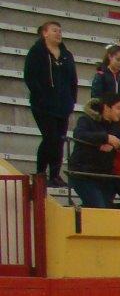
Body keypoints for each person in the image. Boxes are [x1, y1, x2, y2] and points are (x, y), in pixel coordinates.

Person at [24, 21, 78, 186]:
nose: (58, 34)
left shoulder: (66, 55)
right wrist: (41, 96)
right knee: (50, 138)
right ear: (45, 33)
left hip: (62, 106)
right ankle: (41, 173)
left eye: (60, 31)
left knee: (59, 140)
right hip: (43, 105)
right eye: (55, 30)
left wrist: (71, 100)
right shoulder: (37, 52)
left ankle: (54, 174)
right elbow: (30, 76)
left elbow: (72, 80)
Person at [67, 94, 120, 210]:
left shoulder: (116, 125)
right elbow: (79, 134)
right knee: (99, 209)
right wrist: (105, 138)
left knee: (107, 208)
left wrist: (116, 143)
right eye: (118, 108)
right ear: (107, 107)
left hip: (104, 176)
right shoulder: (86, 119)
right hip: (83, 174)